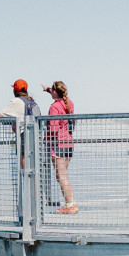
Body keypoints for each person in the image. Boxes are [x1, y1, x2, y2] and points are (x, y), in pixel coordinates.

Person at [45, 80, 77, 214]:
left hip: (57, 145)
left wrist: (46, 141)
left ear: (54, 92)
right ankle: (70, 203)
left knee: (61, 176)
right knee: (62, 176)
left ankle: (71, 205)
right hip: (69, 144)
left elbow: (53, 128)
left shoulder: (54, 107)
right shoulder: (68, 103)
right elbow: (58, 95)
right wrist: (48, 89)